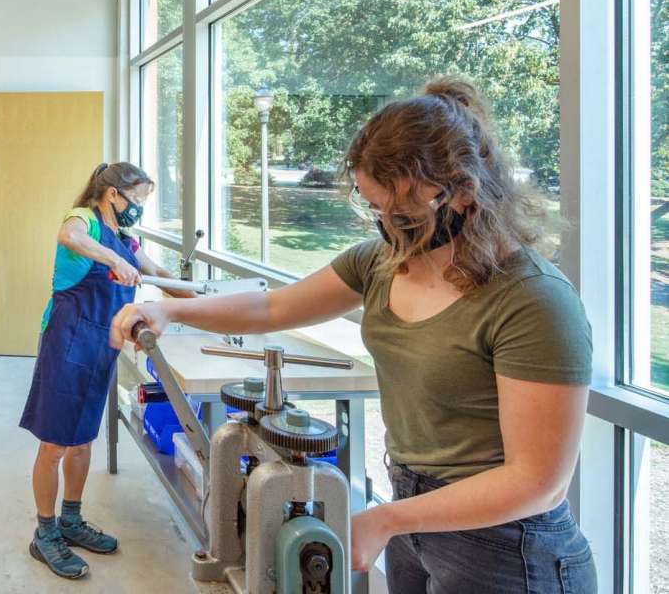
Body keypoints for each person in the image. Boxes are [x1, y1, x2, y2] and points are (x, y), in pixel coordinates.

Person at [112, 78, 595, 594]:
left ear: (465, 192)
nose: (390, 228)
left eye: (405, 215)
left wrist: (388, 519)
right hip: (414, 513)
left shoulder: (533, 300)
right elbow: (272, 305)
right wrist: (169, 310)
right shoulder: (382, 262)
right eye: (376, 211)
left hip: (509, 549)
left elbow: (538, 482)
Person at [20, 162, 192, 580]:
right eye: (137, 199)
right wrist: (113, 256)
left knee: (82, 441)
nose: (139, 208)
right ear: (112, 194)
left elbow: (164, 278)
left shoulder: (129, 242)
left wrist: (203, 299)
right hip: (66, 342)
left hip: (102, 345)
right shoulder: (85, 220)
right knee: (55, 443)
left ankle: (71, 521)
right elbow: (69, 237)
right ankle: (44, 533)